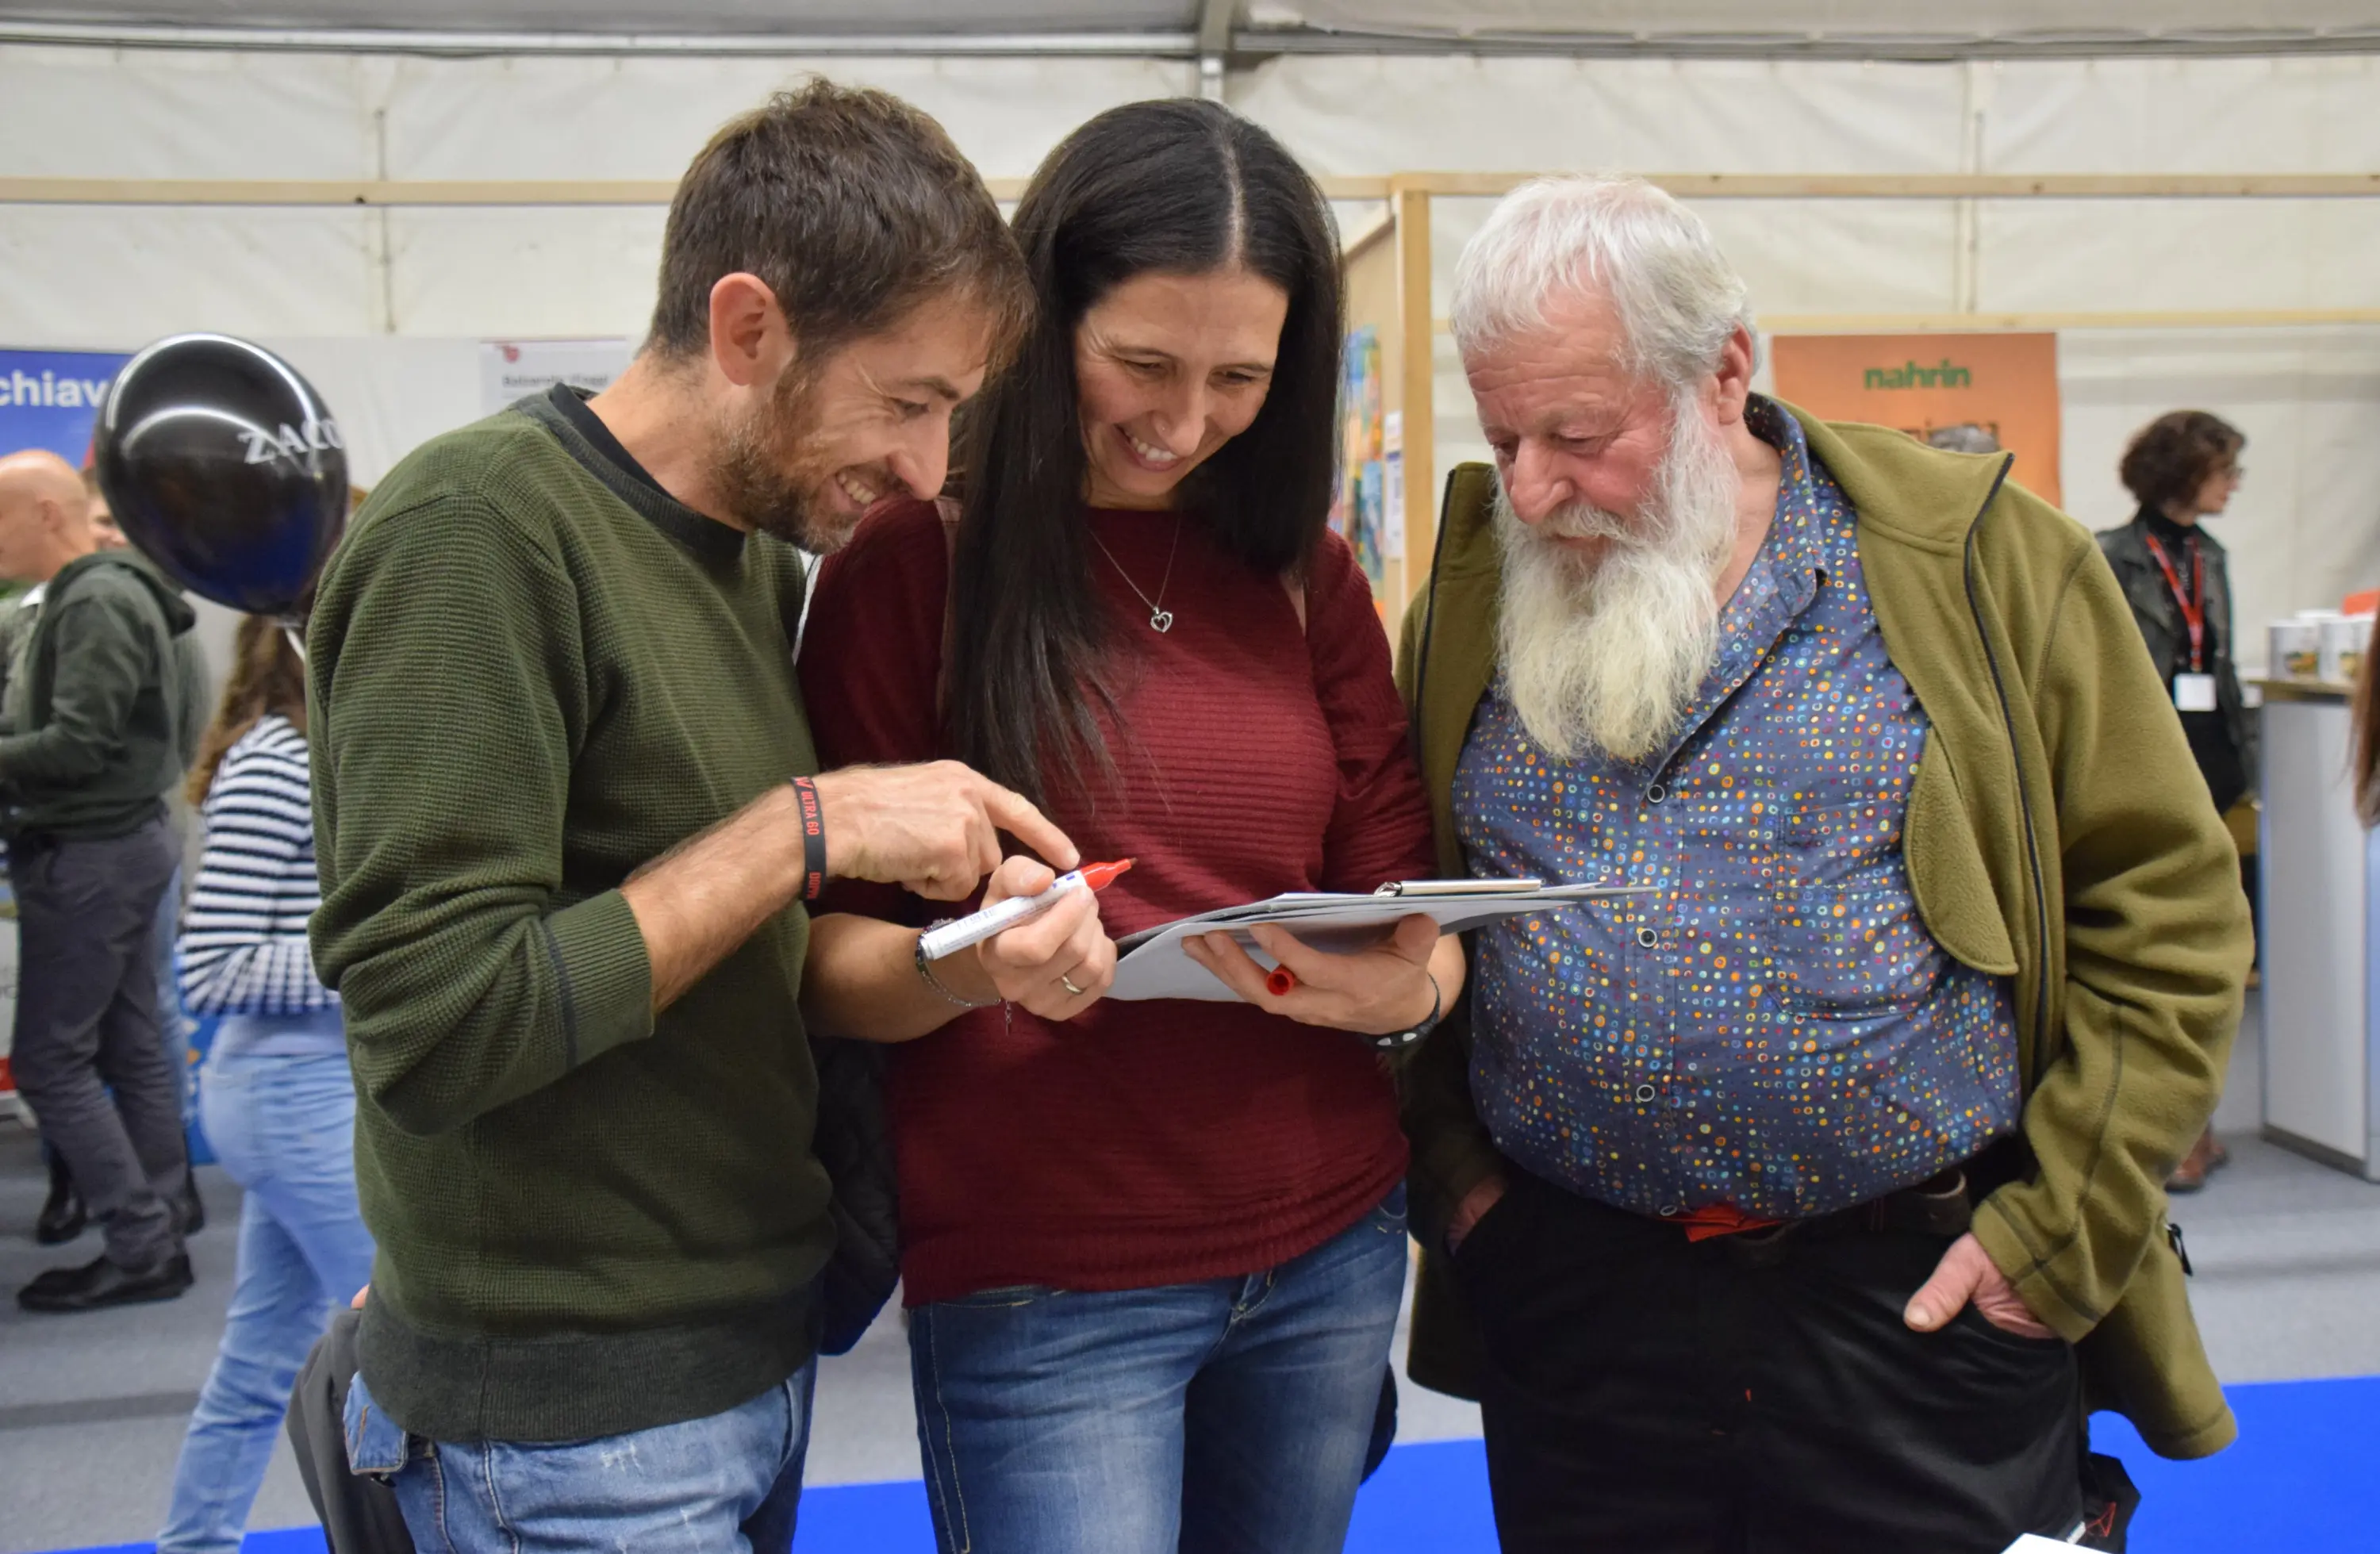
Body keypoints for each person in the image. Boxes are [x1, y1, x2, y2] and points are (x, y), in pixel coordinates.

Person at [1394, 175, 2250, 1552]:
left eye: (1579, 432)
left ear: (1725, 368)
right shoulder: (1476, 596)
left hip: (1921, 1302)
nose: (1537, 485)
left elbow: (2171, 908)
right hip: (1576, 1303)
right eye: (1505, 437)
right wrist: (1458, 1179)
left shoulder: (1978, 566)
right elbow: (1399, 890)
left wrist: (2055, 1232)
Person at [309, 82, 1068, 1554]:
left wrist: (966, 956)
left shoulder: (747, 566)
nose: (923, 468)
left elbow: (724, 960)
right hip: (567, 1428)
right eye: (906, 402)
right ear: (746, 329)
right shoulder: (475, 530)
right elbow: (438, 1027)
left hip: (734, 1365)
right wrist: (803, 825)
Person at [797, 98, 1461, 1554]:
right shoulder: (917, 567)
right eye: (1142, 362)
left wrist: (1402, 989)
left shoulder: (1304, 573)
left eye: (1240, 377)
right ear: (1042, 319)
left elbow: (1409, 895)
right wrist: (970, 966)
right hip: (1047, 1275)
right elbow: (821, 952)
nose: (1181, 420)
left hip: (1328, 1243)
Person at [157, 615, 374, 1554]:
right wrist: (379, 961)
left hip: (312, 1090)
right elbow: (212, 966)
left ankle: (193, 1543)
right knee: (411, 1354)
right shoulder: (277, 760)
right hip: (292, 1097)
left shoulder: (332, 748)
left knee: (259, 1363)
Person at [0, 447, 198, 1311]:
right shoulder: (96, 597)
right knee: (129, 1043)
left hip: (91, 852)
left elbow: (78, 746)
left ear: (46, 512)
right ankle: (160, 1213)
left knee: (50, 1062)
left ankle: (143, 1239)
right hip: (110, 848)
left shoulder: (98, 601)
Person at [2100, 411, 2254, 1194]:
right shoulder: (2111, 557)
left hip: (2215, 761)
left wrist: (2248, 764)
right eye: (2225, 467)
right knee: (2155, 951)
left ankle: (2200, 1123)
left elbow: (2217, 665)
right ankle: (2164, 1133)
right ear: (2185, 470)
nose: (2235, 482)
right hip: (2148, 761)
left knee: (2212, 953)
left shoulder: (2213, 556)